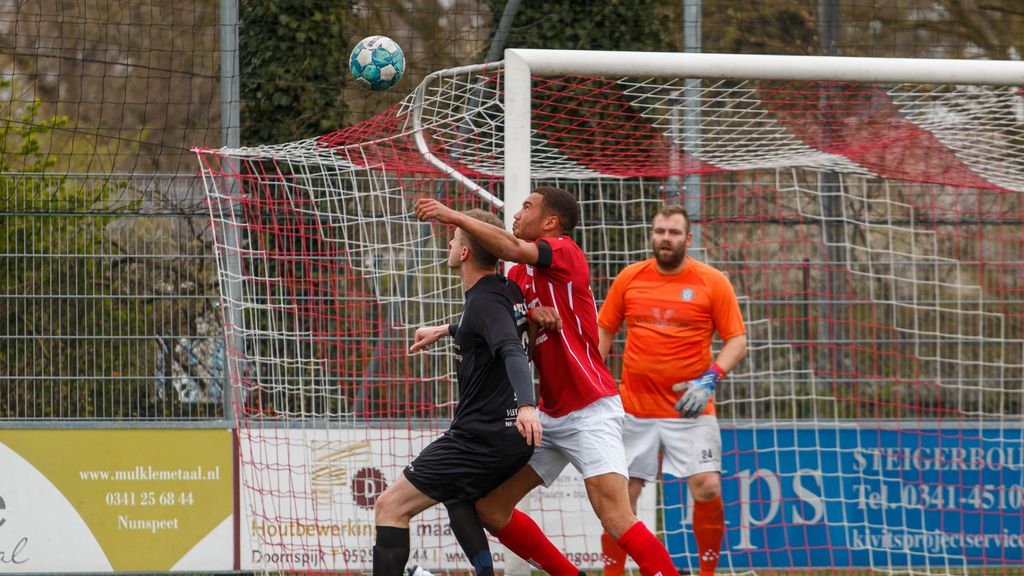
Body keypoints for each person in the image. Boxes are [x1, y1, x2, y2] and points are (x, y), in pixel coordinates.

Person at [415, 188, 679, 576]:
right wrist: (449, 328)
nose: (517, 213)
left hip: (591, 408)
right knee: (490, 507)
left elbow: (511, 247)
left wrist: (453, 216)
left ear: (551, 223)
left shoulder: (563, 251)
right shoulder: (518, 278)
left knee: (615, 516)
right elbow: (506, 328)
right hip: (548, 416)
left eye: (526, 207)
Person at [372, 209, 542, 576]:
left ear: (464, 253)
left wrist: (528, 405)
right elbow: (492, 329)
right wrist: (449, 329)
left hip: (479, 438)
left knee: (389, 506)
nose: (449, 243)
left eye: (455, 239)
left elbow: (511, 349)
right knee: (458, 495)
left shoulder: (483, 302)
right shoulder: (505, 290)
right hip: (509, 437)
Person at [597, 205, 747, 576]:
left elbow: (737, 340)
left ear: (688, 239)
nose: (666, 238)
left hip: (690, 410)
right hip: (634, 409)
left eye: (674, 232)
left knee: (708, 487)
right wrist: (596, 380)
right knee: (621, 498)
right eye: (660, 231)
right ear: (652, 234)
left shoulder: (712, 281)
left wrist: (710, 378)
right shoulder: (630, 277)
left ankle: (707, 574)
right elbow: (604, 331)